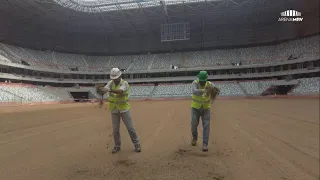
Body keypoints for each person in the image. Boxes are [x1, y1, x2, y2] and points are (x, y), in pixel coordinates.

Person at [99, 68, 141, 154]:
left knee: (130, 128)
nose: (114, 79)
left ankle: (136, 144)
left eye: (116, 77)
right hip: (114, 109)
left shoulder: (124, 83)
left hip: (124, 109)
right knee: (115, 130)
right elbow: (105, 89)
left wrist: (109, 90)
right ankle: (117, 146)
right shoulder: (110, 83)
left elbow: (120, 91)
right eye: (113, 78)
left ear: (120, 76)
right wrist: (101, 91)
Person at [190, 70, 216, 152]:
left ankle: (205, 144)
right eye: (201, 81)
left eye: (203, 81)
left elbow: (215, 90)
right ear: (198, 79)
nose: (202, 83)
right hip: (195, 108)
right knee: (194, 124)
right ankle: (194, 138)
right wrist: (203, 91)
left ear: (206, 79)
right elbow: (194, 91)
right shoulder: (195, 82)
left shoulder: (210, 84)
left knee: (206, 126)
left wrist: (214, 91)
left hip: (205, 109)